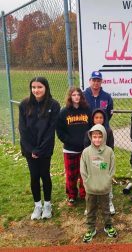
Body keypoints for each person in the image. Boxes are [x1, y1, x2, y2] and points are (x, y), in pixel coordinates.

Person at [18, 77, 60, 220]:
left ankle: (47, 204)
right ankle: (37, 205)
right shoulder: (24, 104)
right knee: (34, 176)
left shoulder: (53, 105)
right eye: (34, 87)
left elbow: (50, 130)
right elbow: (22, 129)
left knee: (45, 175)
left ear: (46, 88)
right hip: (29, 148)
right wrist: (31, 150)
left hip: (45, 148)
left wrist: (40, 150)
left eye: (39, 87)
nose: (36, 90)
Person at [80, 124, 117, 242]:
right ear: (91, 137)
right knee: (90, 209)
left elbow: (111, 169)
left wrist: (107, 181)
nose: (97, 139)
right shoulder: (86, 152)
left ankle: (108, 226)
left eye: (100, 137)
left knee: (106, 209)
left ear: (104, 137)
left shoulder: (109, 151)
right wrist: (87, 183)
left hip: (104, 188)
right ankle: (91, 228)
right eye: (94, 137)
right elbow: (83, 170)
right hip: (91, 188)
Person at [56, 86, 92, 206]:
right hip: (70, 149)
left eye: (78, 95)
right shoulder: (64, 112)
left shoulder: (87, 110)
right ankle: (71, 195)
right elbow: (60, 130)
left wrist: (87, 140)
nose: (76, 97)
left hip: (84, 148)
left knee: (84, 173)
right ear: (70, 97)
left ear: (81, 97)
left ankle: (83, 193)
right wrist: (69, 140)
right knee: (71, 174)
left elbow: (91, 127)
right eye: (74, 95)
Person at [83, 108, 115, 214]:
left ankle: (109, 202)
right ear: (93, 119)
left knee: (105, 181)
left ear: (104, 119)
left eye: (101, 117)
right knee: (93, 181)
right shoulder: (89, 132)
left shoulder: (108, 131)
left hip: (104, 162)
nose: (99, 119)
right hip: (92, 162)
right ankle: (90, 205)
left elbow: (111, 148)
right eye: (96, 117)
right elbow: (86, 148)